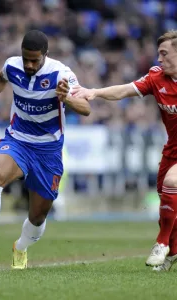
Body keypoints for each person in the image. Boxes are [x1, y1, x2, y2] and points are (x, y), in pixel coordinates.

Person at [0, 30, 90, 269]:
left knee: (37, 216)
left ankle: (20, 247)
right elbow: (0, 79)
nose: (30, 65)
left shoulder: (61, 74)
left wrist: (67, 99)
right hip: (18, 140)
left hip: (48, 150)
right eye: (26, 59)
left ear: (46, 55)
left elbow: (85, 108)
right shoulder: (12, 66)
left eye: (35, 60)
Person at [56, 30, 177, 272]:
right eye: (158, 54)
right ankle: (173, 252)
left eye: (164, 53)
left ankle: (161, 244)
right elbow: (124, 90)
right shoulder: (156, 78)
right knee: (168, 202)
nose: (159, 59)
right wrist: (95, 92)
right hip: (172, 150)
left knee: (172, 183)